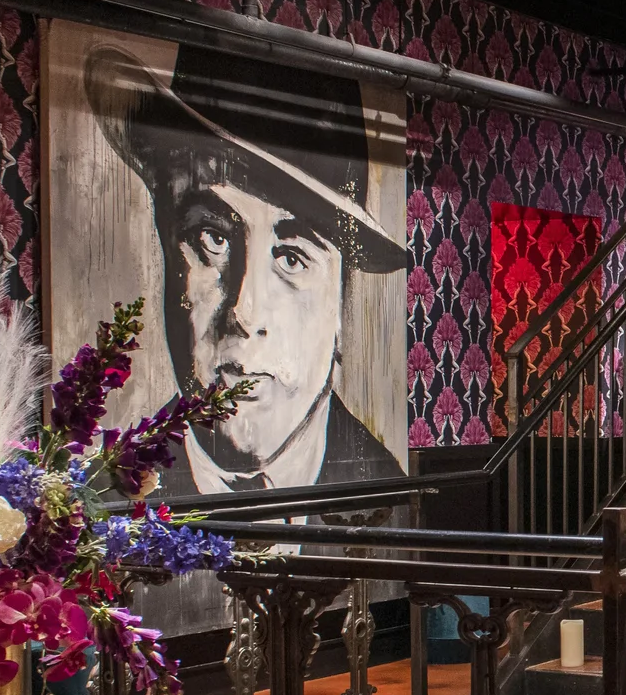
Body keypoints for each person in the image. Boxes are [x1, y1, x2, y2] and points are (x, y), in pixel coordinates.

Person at [86, 43, 407, 495]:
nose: (245, 311)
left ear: (340, 308)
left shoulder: (388, 495)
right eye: (212, 240)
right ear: (164, 242)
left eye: (292, 258)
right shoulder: (99, 502)